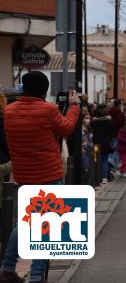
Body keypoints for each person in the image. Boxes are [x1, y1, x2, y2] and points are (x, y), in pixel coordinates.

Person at [0, 71, 80, 283]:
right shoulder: (48, 110)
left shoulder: (9, 111)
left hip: (24, 175)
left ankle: (7, 268)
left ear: (24, 88)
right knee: (46, 227)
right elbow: (66, 129)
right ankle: (36, 276)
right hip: (48, 174)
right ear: (44, 90)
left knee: (27, 221)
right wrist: (74, 107)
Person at [90, 106, 114, 185]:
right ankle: (104, 178)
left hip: (96, 144)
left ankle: (97, 178)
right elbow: (112, 132)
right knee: (104, 161)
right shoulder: (109, 122)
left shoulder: (93, 123)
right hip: (106, 144)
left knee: (96, 160)